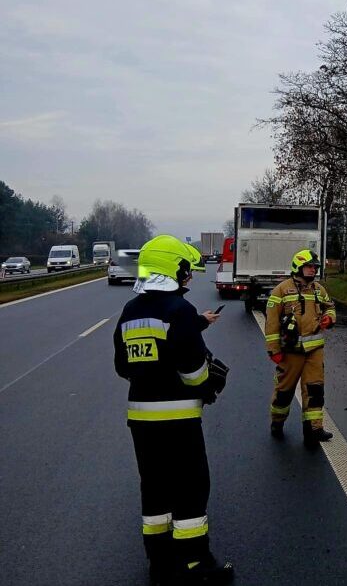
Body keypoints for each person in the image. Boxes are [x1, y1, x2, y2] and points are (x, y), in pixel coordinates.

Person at [113, 235, 233, 585]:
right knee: (191, 487)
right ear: (172, 269)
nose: (190, 277)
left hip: (141, 418)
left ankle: (159, 561)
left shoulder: (130, 311)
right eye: (186, 271)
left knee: (154, 487)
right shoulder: (179, 310)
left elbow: (123, 366)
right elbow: (193, 370)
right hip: (178, 418)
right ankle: (196, 562)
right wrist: (210, 384)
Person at [264, 249, 337, 448]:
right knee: (284, 392)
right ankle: (277, 423)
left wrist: (329, 317)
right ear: (298, 267)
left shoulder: (318, 289)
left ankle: (313, 429)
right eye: (309, 267)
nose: (313, 270)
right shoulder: (281, 290)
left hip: (314, 350)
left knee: (314, 390)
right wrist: (274, 350)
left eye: (315, 267)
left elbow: (330, 306)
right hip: (289, 352)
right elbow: (271, 324)